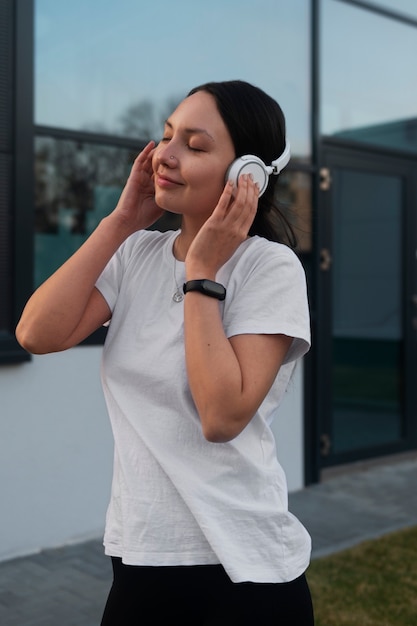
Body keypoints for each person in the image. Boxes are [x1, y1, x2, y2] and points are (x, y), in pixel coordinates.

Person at [16, 80, 314, 625]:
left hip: (240, 568)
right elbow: (37, 333)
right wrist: (121, 222)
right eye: (166, 136)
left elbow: (221, 416)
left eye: (195, 146)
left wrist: (201, 273)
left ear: (247, 173)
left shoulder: (269, 268)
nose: (165, 156)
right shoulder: (135, 254)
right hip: (140, 551)